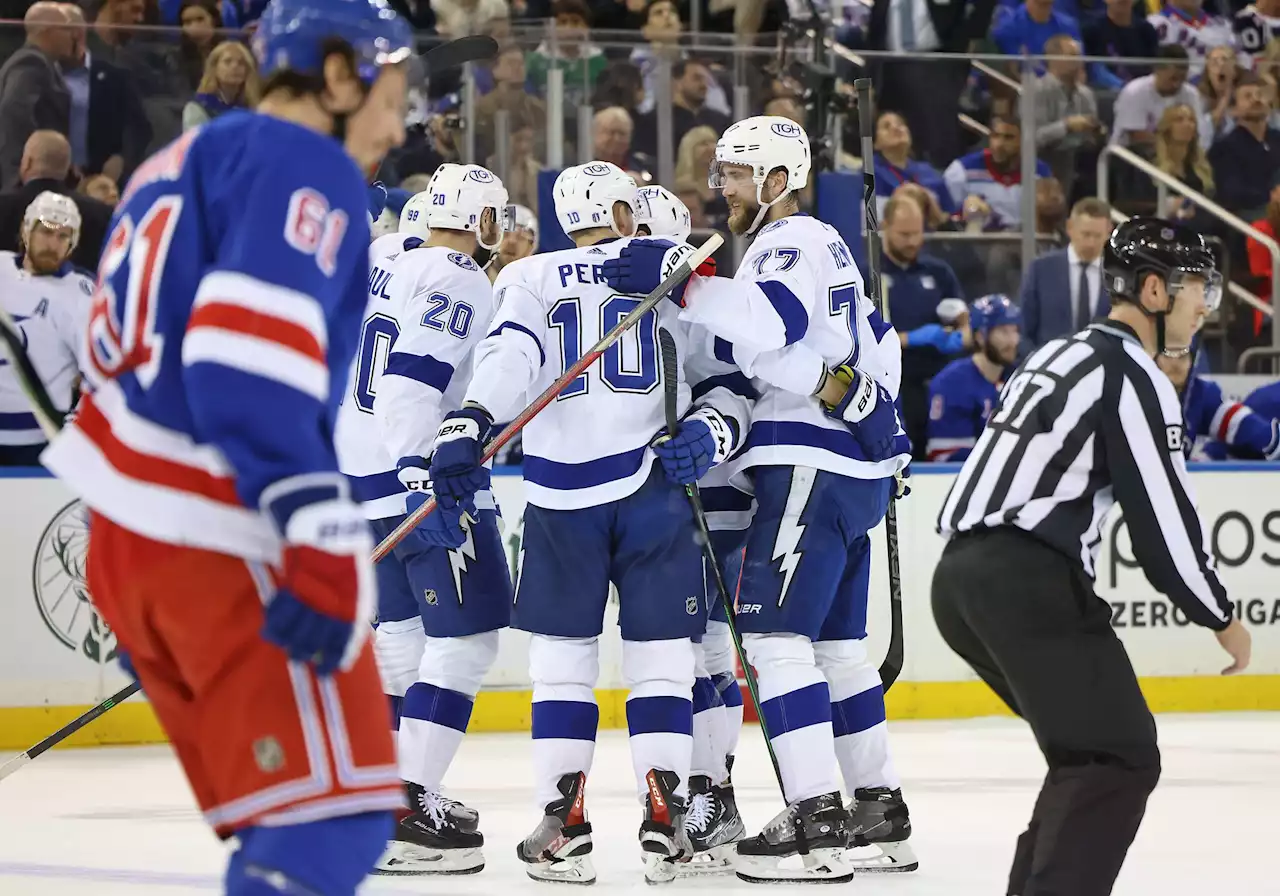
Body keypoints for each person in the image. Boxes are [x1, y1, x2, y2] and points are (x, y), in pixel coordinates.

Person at [39, 1, 416, 893]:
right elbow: (243, 365)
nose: (399, 125)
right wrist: (321, 536)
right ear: (335, 76)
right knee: (335, 820)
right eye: (392, 94)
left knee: (286, 818)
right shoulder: (301, 161)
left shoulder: (175, 162)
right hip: (223, 532)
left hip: (131, 542)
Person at [604, 116, 916, 881]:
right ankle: (878, 807)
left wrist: (686, 278)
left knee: (773, 644)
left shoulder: (788, 241)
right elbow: (878, 346)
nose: (726, 189)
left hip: (807, 465)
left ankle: (815, 819)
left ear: (780, 179)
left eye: (738, 175)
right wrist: (864, 402)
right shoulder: (828, 249)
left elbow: (770, 324)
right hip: (851, 475)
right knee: (838, 651)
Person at [427, 161, 751, 885]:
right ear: (625, 211)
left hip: (559, 499)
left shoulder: (529, 274)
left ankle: (561, 824)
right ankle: (666, 815)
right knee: (663, 661)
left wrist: (470, 421)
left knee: (563, 668)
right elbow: (729, 384)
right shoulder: (669, 270)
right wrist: (714, 433)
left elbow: (511, 357)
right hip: (654, 491)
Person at [932, 218, 1251, 896]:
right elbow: (1162, 523)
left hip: (959, 579)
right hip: (1024, 577)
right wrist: (1220, 614)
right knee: (1117, 755)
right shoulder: (1134, 374)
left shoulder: (1057, 353)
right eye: (1199, 289)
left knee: (1086, 753)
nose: (1206, 307)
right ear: (1157, 290)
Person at [336, 164, 514, 874]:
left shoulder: (384, 255)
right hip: (415, 476)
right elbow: (411, 385)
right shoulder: (463, 278)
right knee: (467, 644)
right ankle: (406, 808)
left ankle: (383, 795)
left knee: (401, 643)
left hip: (356, 478)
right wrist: (420, 473)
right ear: (481, 222)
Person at [0, 192, 92, 466]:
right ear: (26, 230)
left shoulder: (82, 295)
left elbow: (99, 376)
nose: (52, 244)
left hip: (38, 444)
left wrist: (76, 427)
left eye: (63, 236)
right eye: (46, 232)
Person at [925, 295, 1020, 462]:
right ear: (981, 336)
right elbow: (945, 456)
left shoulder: (1018, 378)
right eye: (1004, 332)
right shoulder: (952, 383)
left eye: (1015, 331)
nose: (1013, 340)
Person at [1019, 197, 1112, 353]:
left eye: (1097, 236)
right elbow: (1024, 329)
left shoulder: (1116, 274)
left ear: (1109, 231)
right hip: (1048, 367)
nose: (1091, 243)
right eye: (1086, 234)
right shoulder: (1041, 269)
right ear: (1070, 228)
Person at [1157, 351, 1280, 460]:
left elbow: (1242, 426)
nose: (1175, 364)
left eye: (1183, 355)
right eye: (1167, 354)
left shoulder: (1200, 393)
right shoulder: (1140, 394)